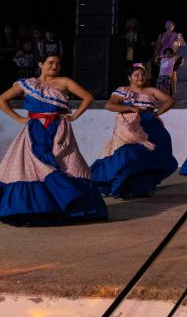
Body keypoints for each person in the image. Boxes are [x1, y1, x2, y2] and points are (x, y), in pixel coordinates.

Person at [0, 55, 107, 225]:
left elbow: (88, 97)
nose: (55, 65)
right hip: (35, 129)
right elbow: (2, 99)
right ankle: (37, 209)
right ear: (41, 65)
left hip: (58, 129)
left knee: (65, 164)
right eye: (50, 62)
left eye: (58, 63)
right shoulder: (27, 84)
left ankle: (71, 208)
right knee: (33, 166)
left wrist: (74, 117)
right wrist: (18, 119)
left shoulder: (64, 81)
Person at [90, 65, 177, 198]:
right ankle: (117, 184)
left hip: (150, 126)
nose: (140, 78)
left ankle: (141, 186)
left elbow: (170, 100)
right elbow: (109, 105)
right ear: (129, 78)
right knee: (127, 155)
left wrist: (157, 113)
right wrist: (130, 108)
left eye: (142, 75)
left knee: (151, 155)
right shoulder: (122, 90)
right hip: (129, 127)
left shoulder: (151, 90)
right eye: (136, 75)